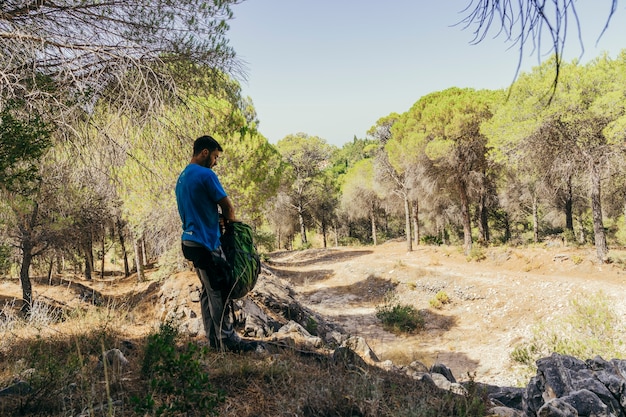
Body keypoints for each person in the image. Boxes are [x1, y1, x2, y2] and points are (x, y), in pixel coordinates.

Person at [175, 135, 258, 352]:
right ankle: (227, 340)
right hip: (207, 243)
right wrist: (232, 227)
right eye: (214, 156)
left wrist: (214, 218)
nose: (215, 162)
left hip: (190, 242)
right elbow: (228, 207)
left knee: (207, 290)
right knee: (218, 291)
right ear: (204, 153)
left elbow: (198, 209)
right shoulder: (206, 174)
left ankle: (213, 339)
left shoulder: (183, 177)